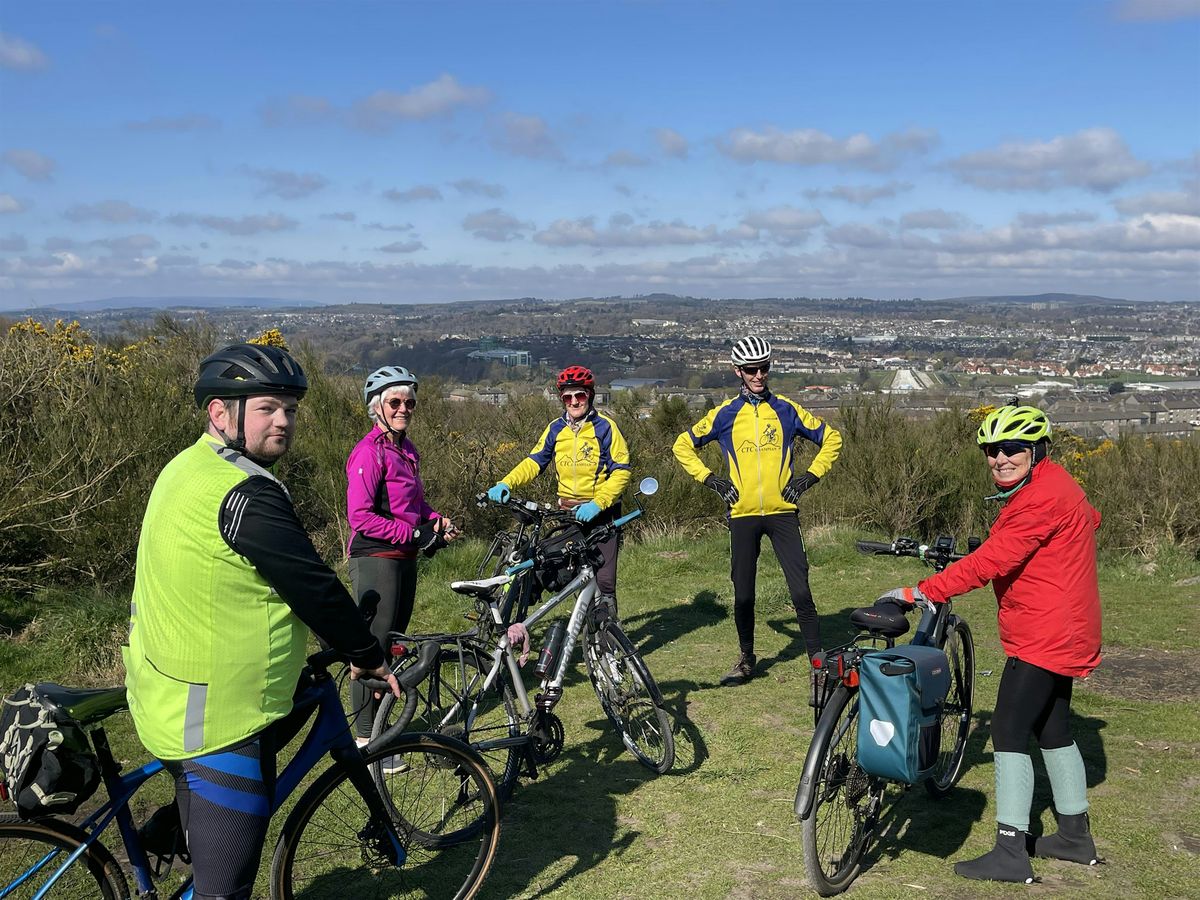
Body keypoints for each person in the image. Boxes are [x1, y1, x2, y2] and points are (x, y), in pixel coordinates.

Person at [123, 343, 400, 900]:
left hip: (162, 691)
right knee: (226, 890)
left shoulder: (185, 467)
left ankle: (177, 826)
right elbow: (312, 585)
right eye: (267, 407)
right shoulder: (246, 493)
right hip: (216, 719)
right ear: (221, 413)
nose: (282, 422)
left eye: (290, 410)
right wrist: (366, 653)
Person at [878, 405, 1102, 883]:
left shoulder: (1042, 497)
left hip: (1047, 633)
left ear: (1036, 450)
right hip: (1062, 626)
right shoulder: (1052, 485)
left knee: (1007, 729)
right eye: (991, 451)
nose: (999, 458)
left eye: (1011, 449)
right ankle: (1074, 837)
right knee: (1052, 728)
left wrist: (922, 590)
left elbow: (992, 561)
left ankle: (1010, 850)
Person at [673, 335, 841, 687]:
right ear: (738, 371)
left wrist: (809, 478)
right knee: (744, 593)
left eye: (764, 367)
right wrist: (711, 480)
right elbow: (683, 445)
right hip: (743, 514)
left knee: (800, 592)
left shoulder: (786, 409)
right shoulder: (725, 414)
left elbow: (832, 439)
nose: (759, 374)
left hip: (782, 513)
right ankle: (747, 659)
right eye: (751, 369)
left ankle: (819, 666)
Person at [345, 365, 457, 747]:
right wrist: (412, 532)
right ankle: (365, 741)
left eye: (410, 401)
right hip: (376, 557)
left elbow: (415, 504)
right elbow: (360, 517)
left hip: (404, 556)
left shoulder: (406, 449)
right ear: (376, 407)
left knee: (390, 644)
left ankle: (380, 732)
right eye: (395, 401)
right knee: (370, 647)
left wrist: (436, 521)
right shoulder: (368, 452)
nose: (403, 408)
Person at [486, 365, 631, 621]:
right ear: (562, 399)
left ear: (590, 395)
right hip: (569, 515)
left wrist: (598, 503)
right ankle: (584, 632)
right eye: (568, 397)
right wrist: (506, 483)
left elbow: (621, 471)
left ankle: (608, 642)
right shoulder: (556, 429)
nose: (574, 402)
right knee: (569, 575)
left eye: (580, 396)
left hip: (602, 515)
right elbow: (535, 461)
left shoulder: (606, 428)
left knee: (604, 582)